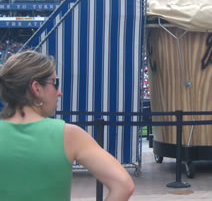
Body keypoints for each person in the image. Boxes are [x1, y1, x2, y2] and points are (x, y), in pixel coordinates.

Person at [0, 51, 134, 200]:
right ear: (36, 88)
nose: (60, 93)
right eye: (55, 83)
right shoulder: (68, 135)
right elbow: (124, 185)